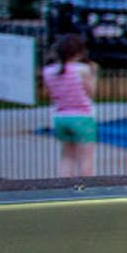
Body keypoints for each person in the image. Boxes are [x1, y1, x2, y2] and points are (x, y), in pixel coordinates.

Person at [42, 35, 98, 176]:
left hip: (60, 117)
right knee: (86, 159)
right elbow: (91, 92)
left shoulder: (48, 71)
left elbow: (50, 93)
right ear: (78, 52)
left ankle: (64, 190)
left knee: (67, 157)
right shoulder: (82, 70)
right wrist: (94, 74)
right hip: (82, 117)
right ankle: (86, 191)